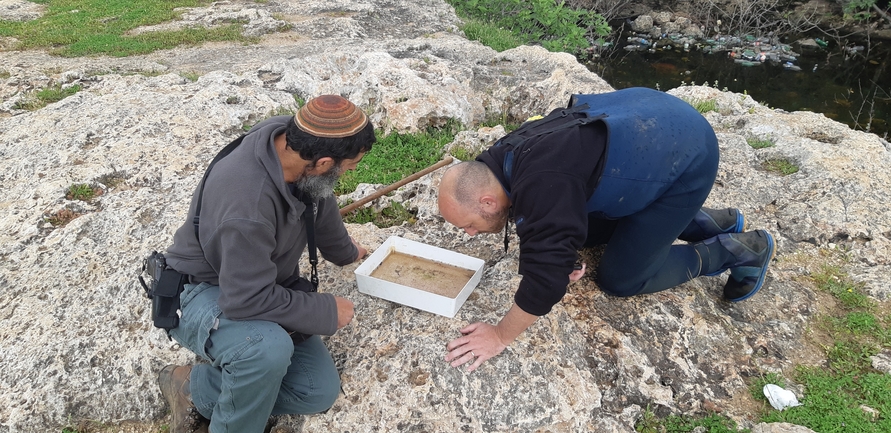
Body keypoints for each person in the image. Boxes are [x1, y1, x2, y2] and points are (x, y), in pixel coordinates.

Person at [437, 87, 774, 372]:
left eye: (468, 225)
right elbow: (557, 215)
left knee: (622, 277)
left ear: (487, 202)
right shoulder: (500, 160)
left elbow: (545, 282)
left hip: (686, 154)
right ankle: (714, 221)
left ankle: (741, 249)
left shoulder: (541, 184)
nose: (469, 234)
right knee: (586, 234)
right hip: (651, 122)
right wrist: (559, 252)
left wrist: (500, 335)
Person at [156, 95, 375, 432]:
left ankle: (193, 387)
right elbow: (245, 299)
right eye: (350, 165)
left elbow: (319, 201)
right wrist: (326, 310)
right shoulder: (247, 204)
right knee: (265, 350)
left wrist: (348, 252)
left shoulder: (293, 144)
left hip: (257, 283)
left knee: (316, 390)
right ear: (323, 162)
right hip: (199, 292)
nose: (351, 171)